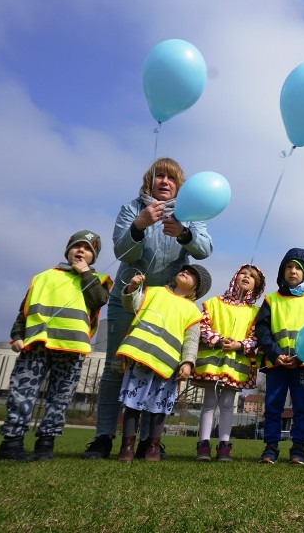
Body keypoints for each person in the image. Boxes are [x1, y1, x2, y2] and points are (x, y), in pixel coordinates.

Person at [82, 157, 213, 460]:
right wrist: (140, 224)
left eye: (171, 178)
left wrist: (183, 232)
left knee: (158, 371)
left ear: (180, 186)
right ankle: (104, 438)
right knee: (118, 367)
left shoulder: (191, 215)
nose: (164, 182)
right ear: (148, 182)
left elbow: (204, 250)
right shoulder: (132, 209)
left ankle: (146, 443)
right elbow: (123, 252)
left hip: (167, 307)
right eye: (159, 177)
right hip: (129, 299)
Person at [0, 231, 112, 461]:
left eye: (88, 248)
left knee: (60, 396)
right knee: (23, 393)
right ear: (68, 249)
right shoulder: (43, 277)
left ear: (94, 256)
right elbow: (25, 308)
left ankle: (46, 442)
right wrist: (17, 334)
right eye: (77, 246)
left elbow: (99, 300)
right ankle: (12, 443)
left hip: (71, 347)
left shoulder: (96, 280)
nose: (81, 250)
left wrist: (85, 274)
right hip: (38, 344)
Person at [114, 263, 211, 462]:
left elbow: (191, 341)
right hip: (141, 358)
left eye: (192, 274)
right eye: (185, 269)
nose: (186, 272)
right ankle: (127, 447)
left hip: (168, 366)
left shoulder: (193, 312)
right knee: (132, 404)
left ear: (196, 288)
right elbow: (130, 304)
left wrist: (188, 363)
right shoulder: (153, 292)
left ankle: (153, 446)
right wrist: (132, 288)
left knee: (160, 406)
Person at [255, 248, 304, 465]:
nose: (293, 271)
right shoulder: (271, 300)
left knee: (303, 408)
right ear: (282, 270)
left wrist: (301, 357)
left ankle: (298, 450)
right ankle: (271, 448)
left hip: (302, 365)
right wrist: (275, 355)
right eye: (289, 267)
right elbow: (262, 331)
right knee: (273, 406)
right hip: (276, 365)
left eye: (298, 268)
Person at [192, 264, 266, 462]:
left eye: (252, 277)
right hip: (212, 362)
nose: (246, 277)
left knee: (227, 404)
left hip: (236, 366)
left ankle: (224, 444)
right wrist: (218, 339)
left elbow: (256, 338)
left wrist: (239, 345)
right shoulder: (214, 303)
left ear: (256, 286)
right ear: (235, 276)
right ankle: (204, 444)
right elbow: (203, 325)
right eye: (243, 273)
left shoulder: (255, 313)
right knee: (209, 403)